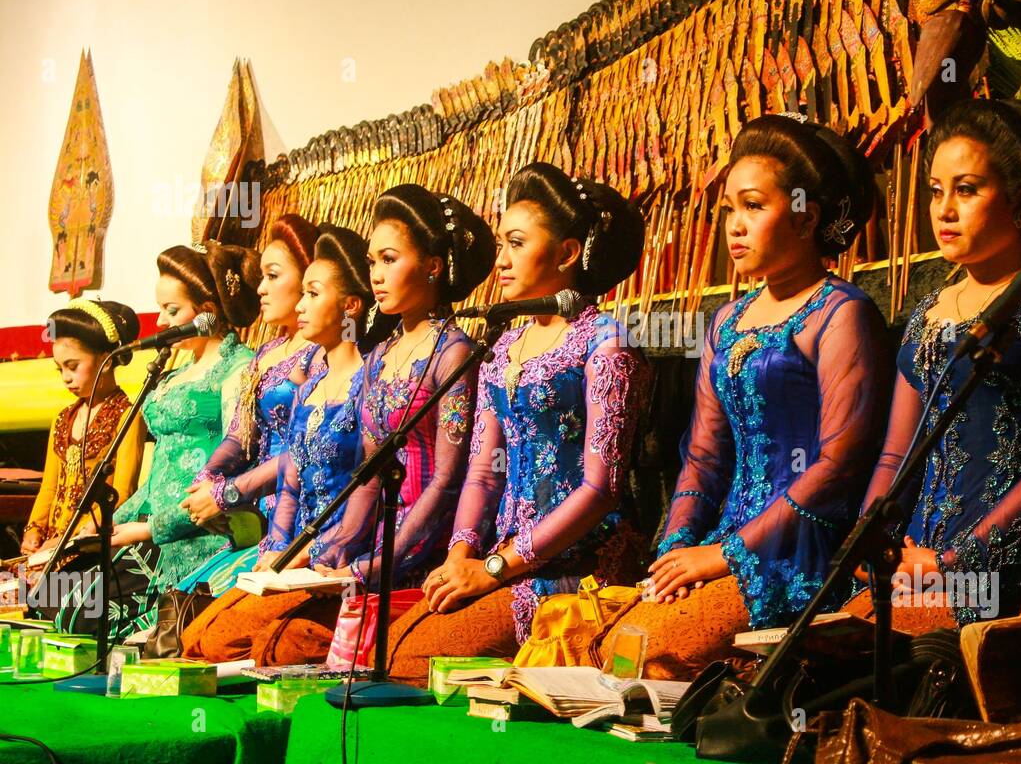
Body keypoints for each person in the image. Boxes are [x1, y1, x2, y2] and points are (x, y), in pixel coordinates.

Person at [596, 113, 890, 680]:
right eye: (729, 208)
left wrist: (725, 555)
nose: (735, 225)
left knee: (650, 654)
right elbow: (704, 456)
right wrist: (677, 549)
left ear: (805, 217)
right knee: (613, 640)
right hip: (718, 548)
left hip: (797, 554)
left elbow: (838, 465)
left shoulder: (841, 313)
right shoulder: (728, 320)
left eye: (754, 206)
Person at [841, 100, 1021, 632]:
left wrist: (953, 564)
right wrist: (868, 545)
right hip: (911, 562)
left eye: (967, 190)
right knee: (829, 656)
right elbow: (898, 452)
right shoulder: (928, 311)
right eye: (937, 191)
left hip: (1000, 570)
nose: (943, 210)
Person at [386, 162, 649, 682]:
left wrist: (496, 569)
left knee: (411, 662)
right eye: (501, 245)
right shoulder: (503, 345)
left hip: (576, 566)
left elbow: (601, 488)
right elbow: (483, 472)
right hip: (499, 562)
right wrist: (461, 556)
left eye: (515, 243)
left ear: (568, 253)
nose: (500, 261)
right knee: (391, 649)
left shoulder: (606, 344)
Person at [226, 186, 494, 666]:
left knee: (283, 644)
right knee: (222, 630)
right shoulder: (382, 357)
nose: (376, 275)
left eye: (389, 259)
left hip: (421, 550)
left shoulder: (454, 353)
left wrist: (379, 562)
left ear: (433, 266)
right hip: (366, 546)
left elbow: (448, 481)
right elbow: (368, 477)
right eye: (371, 262)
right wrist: (327, 553)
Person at [182, 225, 378, 662]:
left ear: (349, 305)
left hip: (330, 555)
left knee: (253, 644)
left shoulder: (368, 381)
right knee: (195, 634)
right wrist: (272, 547)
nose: (262, 289)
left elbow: (363, 489)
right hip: (279, 537)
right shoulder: (307, 384)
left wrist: (305, 551)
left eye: (310, 291)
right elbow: (287, 475)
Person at [54, 242, 260, 641]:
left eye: (173, 311)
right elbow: (160, 474)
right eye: (161, 310)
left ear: (207, 312)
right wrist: (114, 521)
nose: (162, 321)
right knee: (64, 607)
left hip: (203, 534)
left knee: (90, 620)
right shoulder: (171, 372)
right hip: (151, 531)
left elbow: (237, 472)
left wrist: (149, 529)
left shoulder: (239, 368)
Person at [178, 214, 323, 595]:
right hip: (254, 515)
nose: (260, 288)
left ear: (311, 279)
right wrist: (206, 481)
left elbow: (304, 451)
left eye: (273, 276)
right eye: (261, 277)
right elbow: (240, 435)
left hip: (301, 515)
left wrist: (229, 493)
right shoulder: (267, 354)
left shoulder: (326, 355)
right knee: (187, 597)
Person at [21, 300, 145, 619]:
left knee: (50, 606)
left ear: (105, 358)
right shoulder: (62, 418)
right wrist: (34, 531)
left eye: (73, 366)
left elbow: (123, 494)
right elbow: (49, 488)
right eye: (59, 368)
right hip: (52, 547)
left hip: (89, 549)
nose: (65, 377)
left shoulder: (127, 416)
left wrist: (77, 536)